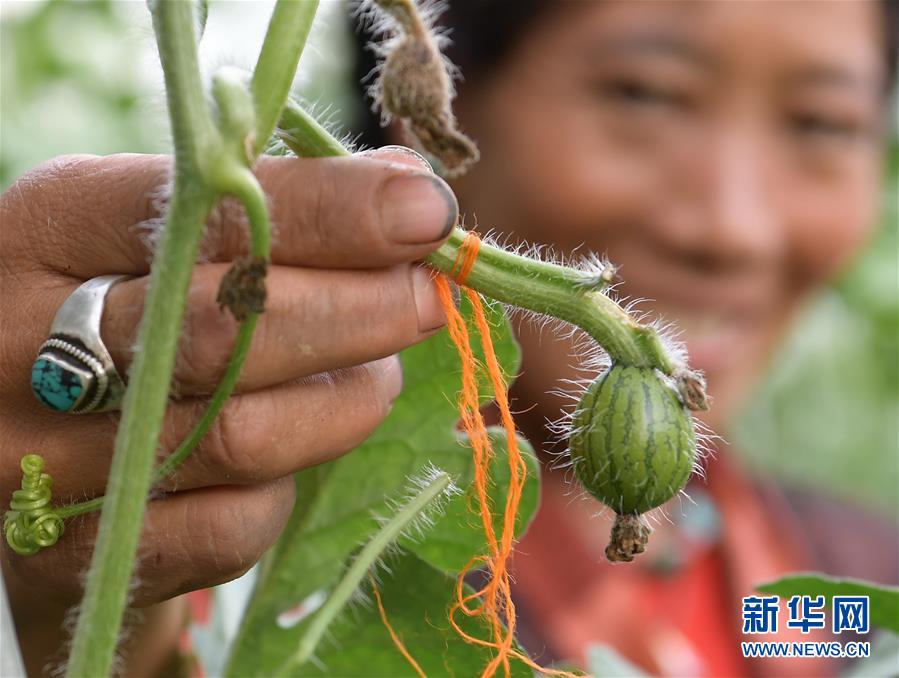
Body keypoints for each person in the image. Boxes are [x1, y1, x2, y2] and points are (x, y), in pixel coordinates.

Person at [0, 0, 895, 676]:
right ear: (429, 102)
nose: (733, 226)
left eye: (820, 121)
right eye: (645, 94)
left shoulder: (852, 584)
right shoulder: (240, 566)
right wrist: (35, 613)